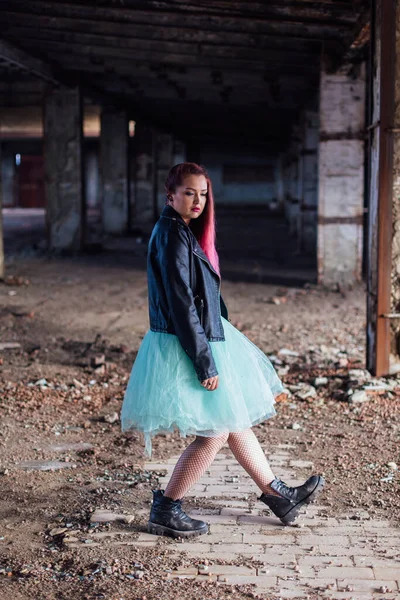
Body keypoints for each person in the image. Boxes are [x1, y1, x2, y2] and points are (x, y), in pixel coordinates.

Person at [121, 162, 324, 538]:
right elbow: (181, 302)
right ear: (170, 195)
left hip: (201, 337)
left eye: (202, 194)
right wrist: (204, 362)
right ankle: (166, 508)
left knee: (231, 420)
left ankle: (279, 495)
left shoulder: (181, 231)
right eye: (188, 193)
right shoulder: (171, 234)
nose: (197, 201)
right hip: (187, 344)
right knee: (215, 430)